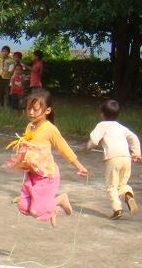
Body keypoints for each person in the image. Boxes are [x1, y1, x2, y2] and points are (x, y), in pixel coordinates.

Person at [6, 90, 88, 227]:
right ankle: (52, 209)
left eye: (35, 109)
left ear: (47, 110)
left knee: (36, 210)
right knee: (23, 207)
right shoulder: (30, 126)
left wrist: (79, 166)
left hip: (46, 175)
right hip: (32, 174)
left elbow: (64, 148)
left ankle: (60, 200)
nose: (31, 112)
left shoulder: (50, 129)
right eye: (28, 108)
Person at [86, 99, 141, 220]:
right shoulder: (121, 127)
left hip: (112, 158)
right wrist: (136, 152)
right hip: (126, 158)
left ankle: (117, 209)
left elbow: (94, 140)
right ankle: (128, 195)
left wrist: (88, 146)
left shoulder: (101, 125)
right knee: (122, 184)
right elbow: (134, 137)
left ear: (102, 114)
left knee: (111, 186)